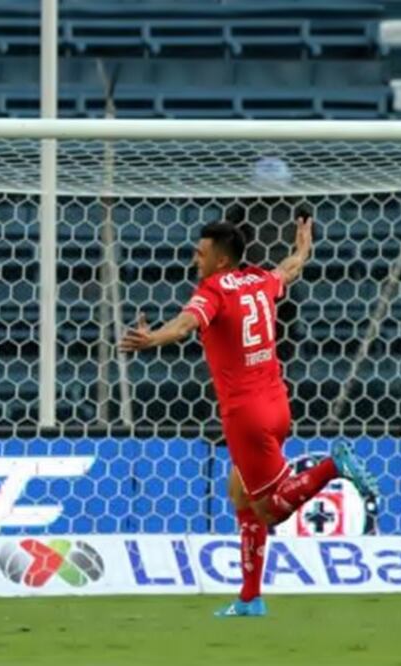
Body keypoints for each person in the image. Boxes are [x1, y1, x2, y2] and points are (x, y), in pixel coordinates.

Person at [120, 215, 370, 617]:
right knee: (239, 494)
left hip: (245, 416)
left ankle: (333, 466)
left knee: (271, 509)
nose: (194, 259)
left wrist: (153, 338)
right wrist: (303, 248)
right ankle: (250, 599)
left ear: (220, 260)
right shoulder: (258, 280)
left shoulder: (213, 290)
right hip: (276, 404)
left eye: (201, 253)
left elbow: (184, 326)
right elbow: (288, 270)